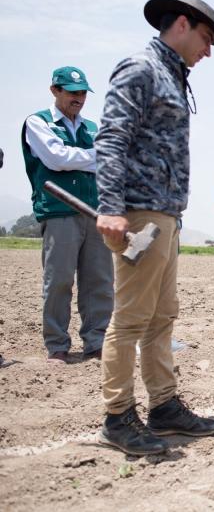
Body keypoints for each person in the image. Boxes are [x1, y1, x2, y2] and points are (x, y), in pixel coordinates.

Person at [94, 0, 214, 456]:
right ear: (182, 25)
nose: (208, 51)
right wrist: (111, 207)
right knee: (131, 318)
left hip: (167, 215)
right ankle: (117, 417)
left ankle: (164, 405)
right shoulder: (141, 68)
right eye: (206, 39)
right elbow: (111, 138)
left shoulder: (173, 76)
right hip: (139, 215)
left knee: (161, 316)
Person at [21, 66, 113, 364]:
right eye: (72, 92)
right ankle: (57, 345)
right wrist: (94, 157)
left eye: (83, 93)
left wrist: (83, 159)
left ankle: (96, 342)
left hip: (95, 211)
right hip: (58, 211)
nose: (79, 98)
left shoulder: (92, 127)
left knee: (99, 281)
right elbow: (55, 158)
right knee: (59, 280)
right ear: (55, 90)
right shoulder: (38, 122)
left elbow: (109, 163)